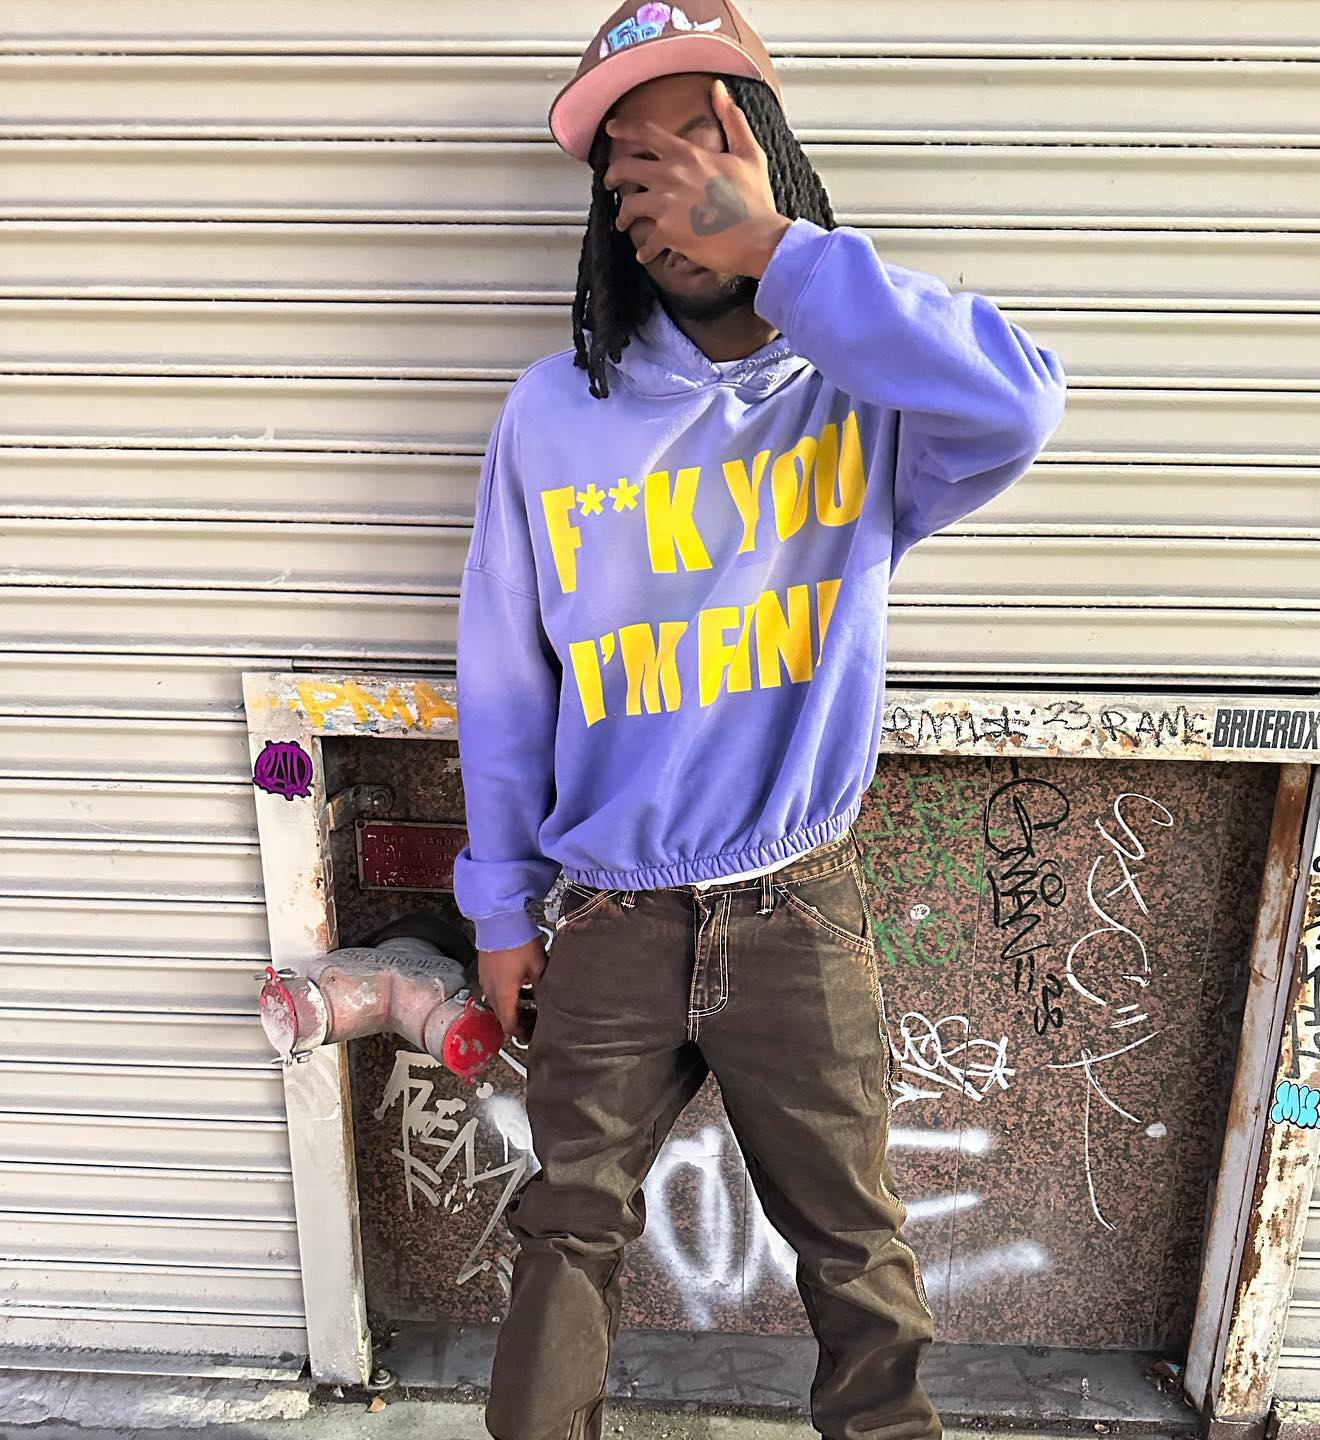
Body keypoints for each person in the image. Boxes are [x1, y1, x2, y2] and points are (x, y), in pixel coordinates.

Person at [451, 3, 1067, 1437]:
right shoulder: (554, 415)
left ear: (765, 153)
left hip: (796, 906)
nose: (661, 188)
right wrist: (500, 909)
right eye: (628, 166)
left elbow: (1020, 407)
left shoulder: (863, 398)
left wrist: (777, 250)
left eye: (698, 143)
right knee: (565, 1233)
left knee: (855, 1252)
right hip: (608, 916)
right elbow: (505, 683)